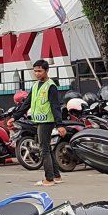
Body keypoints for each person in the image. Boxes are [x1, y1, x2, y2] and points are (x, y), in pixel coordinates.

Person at [28, 59, 66, 187]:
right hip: (39, 120)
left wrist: (59, 124)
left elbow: (56, 106)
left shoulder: (51, 86)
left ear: (46, 71)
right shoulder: (35, 86)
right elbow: (27, 102)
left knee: (44, 149)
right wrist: (15, 116)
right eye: (35, 71)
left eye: (40, 71)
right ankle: (57, 176)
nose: (37, 74)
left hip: (47, 121)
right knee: (47, 148)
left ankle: (49, 179)